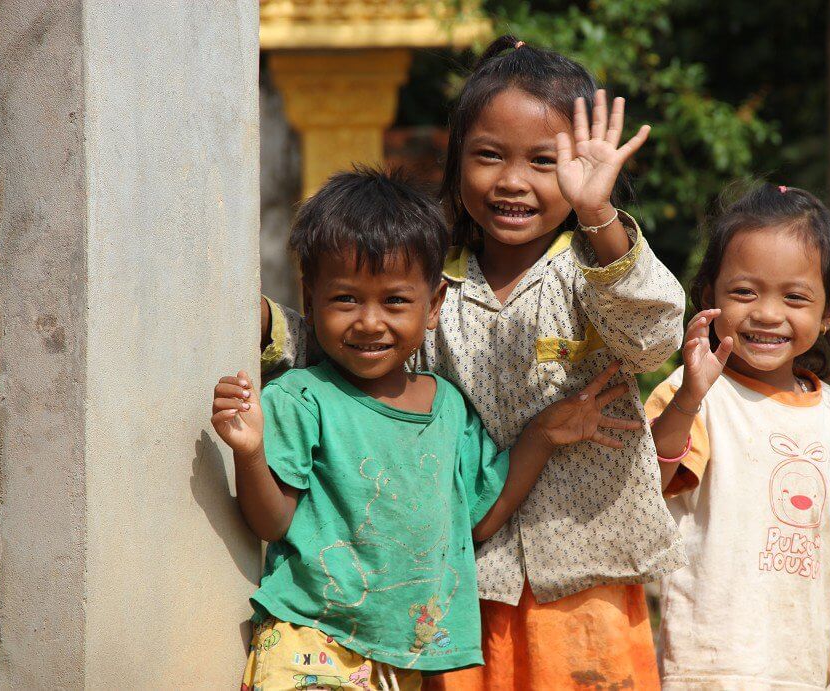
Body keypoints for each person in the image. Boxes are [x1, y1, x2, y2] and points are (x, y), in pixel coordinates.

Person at [259, 36, 688, 689]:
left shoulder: (592, 269)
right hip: (460, 581)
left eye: (544, 162)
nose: (513, 181)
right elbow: (346, 346)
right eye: (489, 155)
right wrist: (262, 325)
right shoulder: (434, 285)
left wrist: (598, 213)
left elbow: (655, 334)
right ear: (457, 161)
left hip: (584, 573)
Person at [213, 168, 641, 690]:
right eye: (346, 299)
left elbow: (479, 521)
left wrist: (543, 435)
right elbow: (272, 523)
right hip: (310, 641)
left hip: (403, 657)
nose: (370, 322)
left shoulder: (450, 409)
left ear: (433, 305)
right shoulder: (301, 397)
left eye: (395, 301)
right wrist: (250, 452)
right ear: (310, 300)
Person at [644, 183, 830, 689]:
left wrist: (828, 643)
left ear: (829, 313)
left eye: (795, 297)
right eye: (745, 292)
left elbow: (821, 542)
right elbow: (645, 484)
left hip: (797, 662)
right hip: (708, 662)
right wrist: (687, 400)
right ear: (710, 298)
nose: (768, 313)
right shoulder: (692, 394)